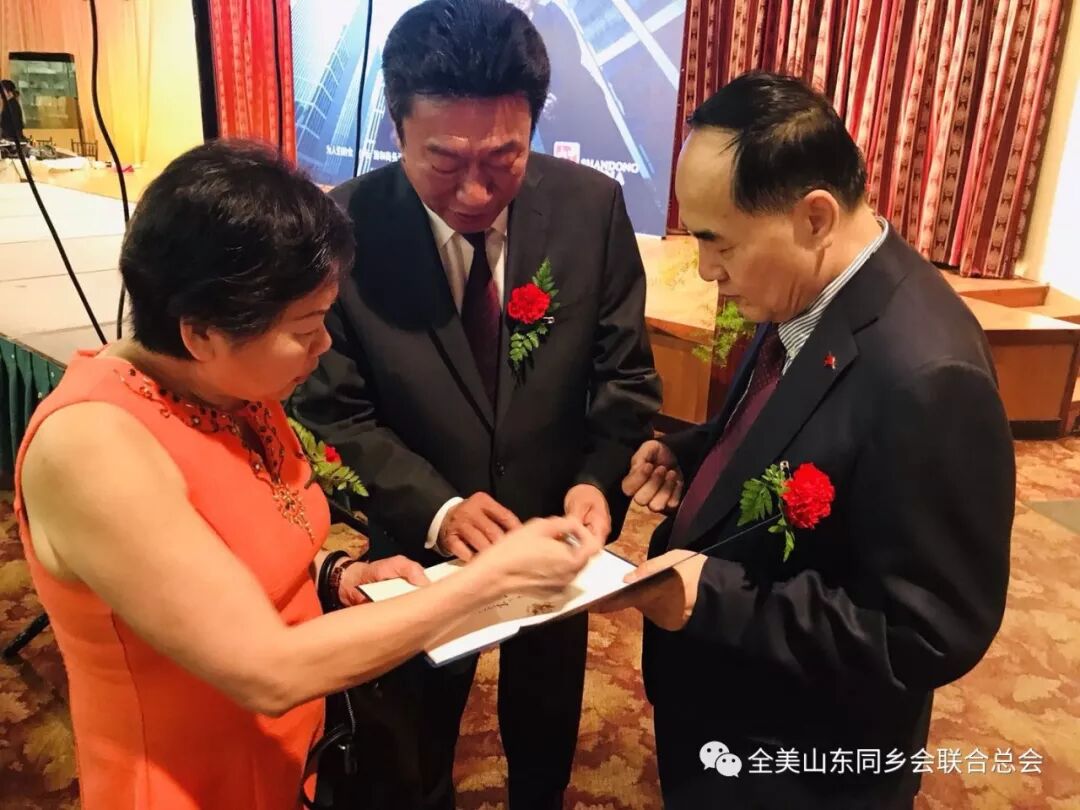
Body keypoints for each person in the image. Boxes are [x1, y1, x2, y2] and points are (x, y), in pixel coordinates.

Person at [13, 139, 604, 810]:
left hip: (291, 756)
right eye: (307, 328)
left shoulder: (230, 387)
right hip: (187, 782)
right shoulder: (94, 446)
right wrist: (488, 582)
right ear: (201, 333)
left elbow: (237, 537)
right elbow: (266, 670)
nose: (323, 346)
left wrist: (333, 573)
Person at [606, 72, 1014, 809]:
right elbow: (803, 425)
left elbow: (926, 631)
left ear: (815, 216)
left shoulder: (928, 375)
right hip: (728, 715)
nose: (706, 270)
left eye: (718, 242)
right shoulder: (814, 290)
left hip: (804, 760)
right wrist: (699, 453)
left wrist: (715, 601)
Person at [290, 1, 662, 808]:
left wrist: (597, 481)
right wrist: (438, 509)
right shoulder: (343, 228)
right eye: (444, 160)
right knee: (408, 748)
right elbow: (333, 411)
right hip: (416, 544)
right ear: (397, 129)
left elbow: (624, 379)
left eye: (503, 158)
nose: (474, 189)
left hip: (557, 536)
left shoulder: (590, 209)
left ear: (532, 126)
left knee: (546, 722)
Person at [1, 79, 25, 143]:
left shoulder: (12, 105)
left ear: (8, 91)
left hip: (11, 140)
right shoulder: (10, 103)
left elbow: (15, 125)